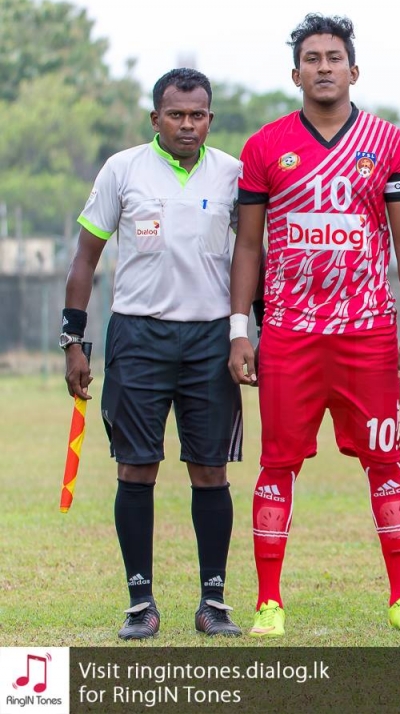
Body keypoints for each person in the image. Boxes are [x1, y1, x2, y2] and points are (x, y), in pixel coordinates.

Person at [227, 13, 400, 637]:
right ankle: (268, 602)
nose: (323, 67)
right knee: (277, 464)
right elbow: (248, 245)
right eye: (311, 59)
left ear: (353, 70)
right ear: (296, 74)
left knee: (385, 460)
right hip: (289, 333)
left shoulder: (387, 140)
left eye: (333, 57)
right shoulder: (265, 146)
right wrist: (240, 329)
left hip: (366, 332)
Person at [64, 68, 243, 639]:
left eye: (198, 115)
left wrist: (250, 330)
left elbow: (252, 256)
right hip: (138, 337)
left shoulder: (233, 173)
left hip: (210, 339)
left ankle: (213, 602)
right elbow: (85, 258)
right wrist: (74, 342)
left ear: (210, 119)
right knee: (136, 467)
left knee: (210, 469)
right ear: (155, 118)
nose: (187, 124)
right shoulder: (122, 169)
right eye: (176, 114)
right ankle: (140, 603)